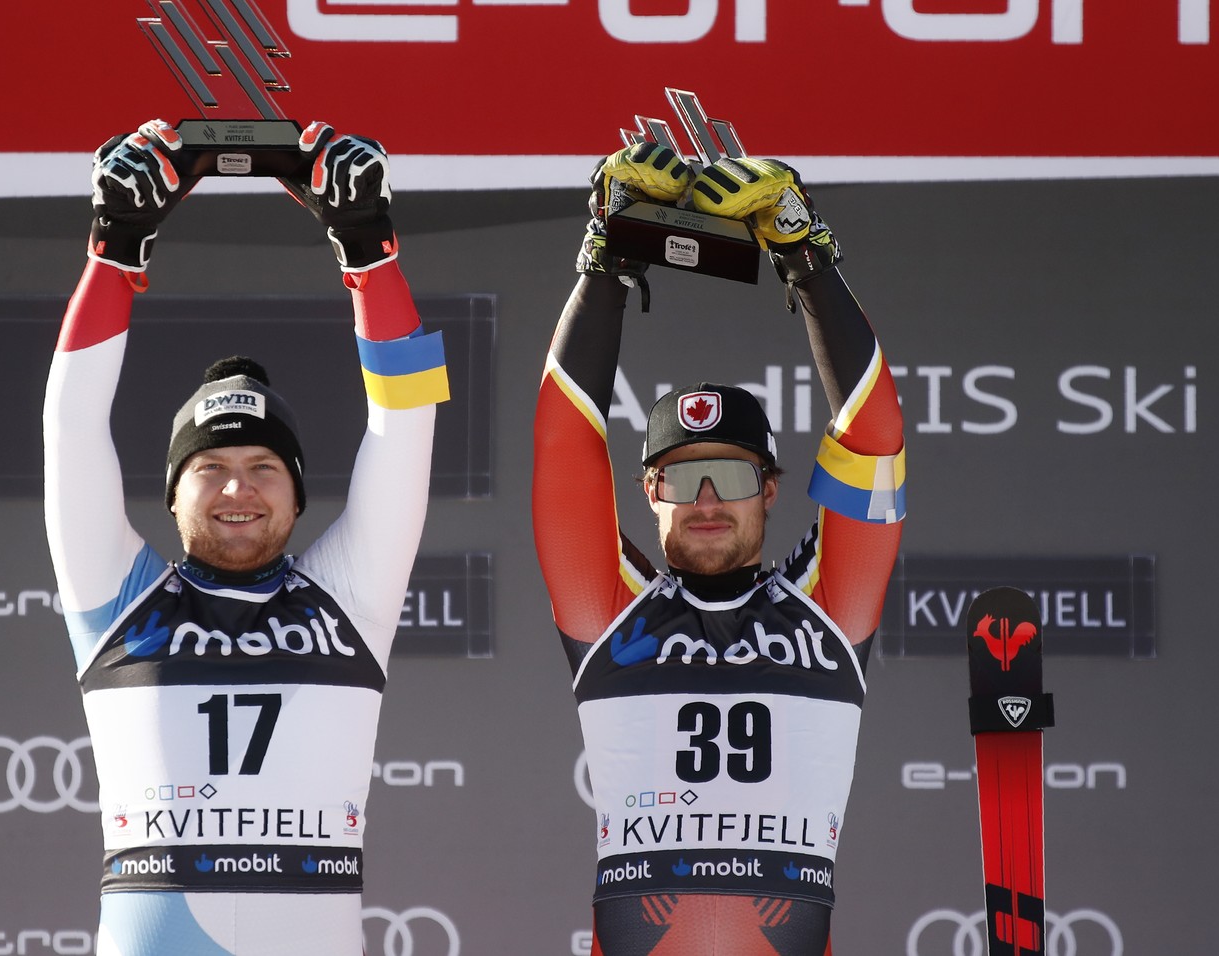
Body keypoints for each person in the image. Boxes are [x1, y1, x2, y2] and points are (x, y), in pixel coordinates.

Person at [44, 118, 449, 956]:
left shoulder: (349, 596)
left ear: (299, 497)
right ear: (170, 494)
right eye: (210, 466)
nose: (238, 488)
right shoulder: (115, 598)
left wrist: (372, 258)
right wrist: (113, 255)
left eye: (265, 465)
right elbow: (69, 426)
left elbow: (406, 424)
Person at [532, 143, 906, 955]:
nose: (706, 501)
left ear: (772, 492)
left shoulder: (828, 611)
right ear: (649, 493)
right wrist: (604, 261)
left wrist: (808, 257)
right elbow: (565, 440)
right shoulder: (610, 613)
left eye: (731, 479)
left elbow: (872, 439)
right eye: (683, 476)